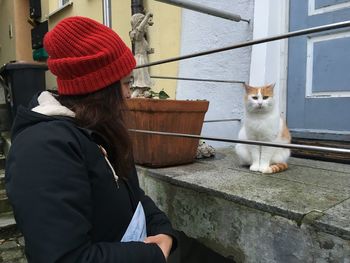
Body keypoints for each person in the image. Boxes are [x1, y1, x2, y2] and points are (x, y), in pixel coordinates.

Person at [5, 16, 176, 263]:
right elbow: (65, 258)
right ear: (101, 86)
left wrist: (164, 232)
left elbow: (133, 196)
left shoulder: (96, 129)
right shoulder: (42, 149)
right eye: (126, 83)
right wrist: (152, 253)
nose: (129, 94)